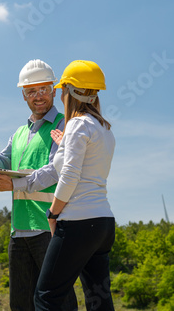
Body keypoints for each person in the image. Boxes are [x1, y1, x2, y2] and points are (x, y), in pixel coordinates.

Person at [0, 59, 77, 311]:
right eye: (31, 91)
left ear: (54, 90)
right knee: (21, 305)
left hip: (50, 229)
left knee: (58, 304)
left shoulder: (63, 126)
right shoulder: (20, 133)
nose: (39, 96)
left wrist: (14, 186)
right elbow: (5, 162)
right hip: (19, 230)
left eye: (44, 89)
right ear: (23, 95)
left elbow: (56, 170)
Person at [34, 60, 116, 311]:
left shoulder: (78, 124)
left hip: (77, 223)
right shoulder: (104, 129)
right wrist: (64, 145)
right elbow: (80, 167)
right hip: (103, 223)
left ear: (71, 91)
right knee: (98, 298)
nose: (60, 94)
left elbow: (70, 175)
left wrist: (53, 212)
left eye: (62, 89)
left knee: (47, 297)